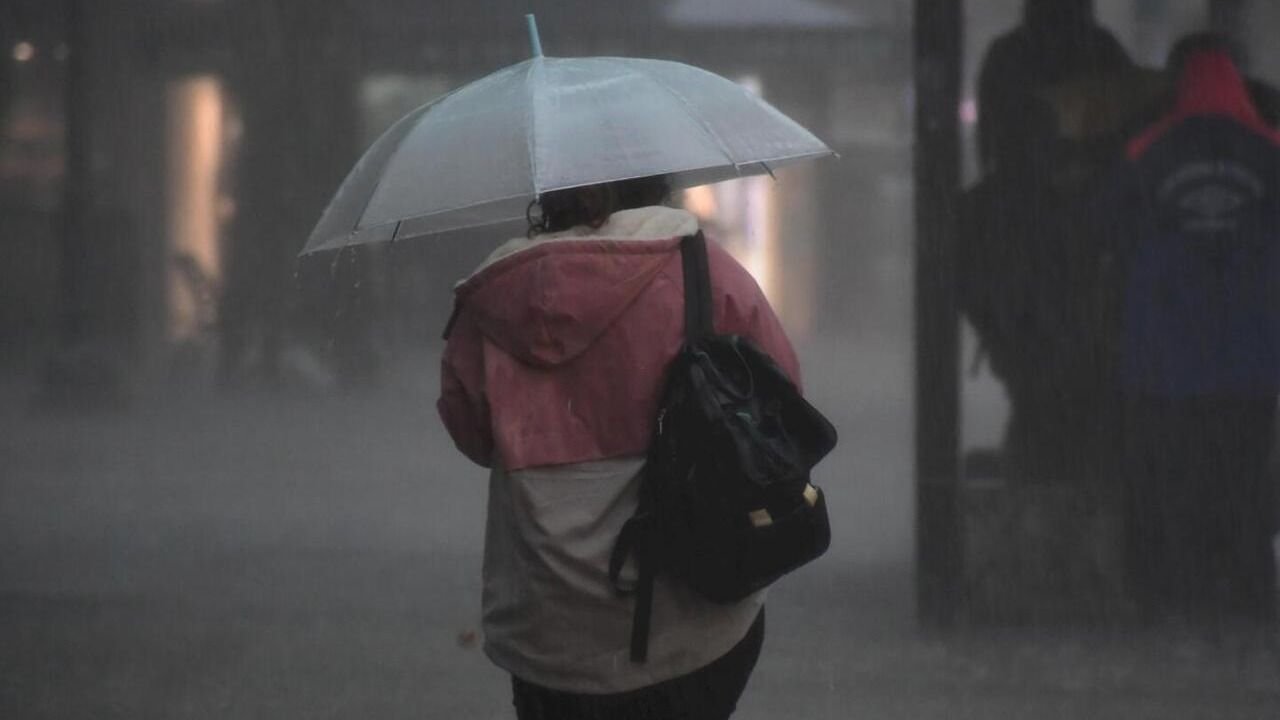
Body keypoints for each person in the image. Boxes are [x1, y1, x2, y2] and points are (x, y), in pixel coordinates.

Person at [437, 176, 801, 718]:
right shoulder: (705, 274)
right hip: (694, 626)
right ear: (654, 180)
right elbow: (783, 400)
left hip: (548, 636)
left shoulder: (495, 297)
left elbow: (470, 429)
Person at [1103, 33, 1280, 624]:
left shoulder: (1145, 151)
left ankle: (1176, 595)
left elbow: (1116, 238)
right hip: (1252, 362)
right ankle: (1245, 590)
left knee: (1175, 481)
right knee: (1246, 479)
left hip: (1166, 362)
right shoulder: (1270, 151)